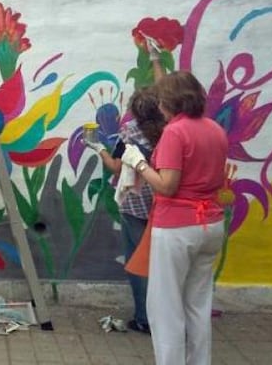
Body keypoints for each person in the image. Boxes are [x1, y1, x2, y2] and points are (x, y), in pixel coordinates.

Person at [120, 70, 228, 365]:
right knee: (197, 304)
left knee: (164, 308)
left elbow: (167, 185)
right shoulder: (214, 129)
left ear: (168, 102)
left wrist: (138, 163)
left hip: (178, 226)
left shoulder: (175, 133)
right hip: (211, 223)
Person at [85, 85, 165, 334]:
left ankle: (144, 318)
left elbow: (116, 167)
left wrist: (96, 146)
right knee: (163, 262)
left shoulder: (130, 133)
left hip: (134, 204)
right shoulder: (170, 132)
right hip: (163, 202)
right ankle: (166, 317)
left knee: (138, 262)